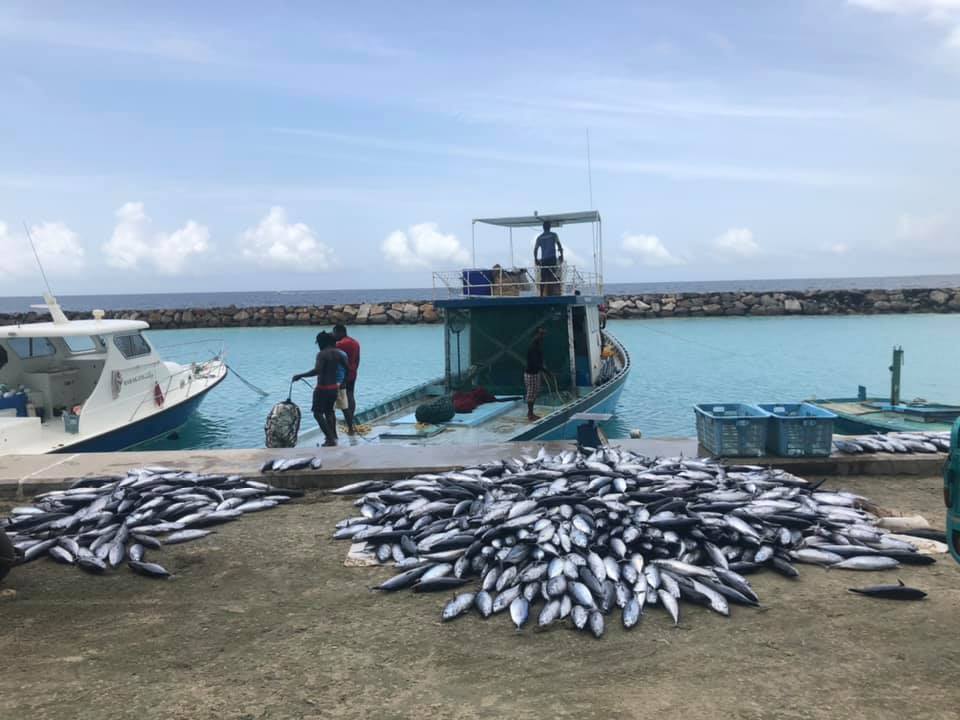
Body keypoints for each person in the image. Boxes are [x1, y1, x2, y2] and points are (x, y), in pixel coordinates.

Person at [292, 332, 348, 447]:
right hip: (334, 388)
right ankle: (333, 436)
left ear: (323, 342)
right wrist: (342, 382)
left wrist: (300, 375)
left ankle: (330, 438)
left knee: (317, 414)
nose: (318, 346)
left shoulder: (322, 354)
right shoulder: (339, 354)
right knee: (329, 412)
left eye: (319, 343)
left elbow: (317, 370)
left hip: (322, 388)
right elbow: (347, 368)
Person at [332, 323, 360, 434]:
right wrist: (354, 369)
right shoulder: (355, 342)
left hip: (343, 375)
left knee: (342, 400)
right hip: (353, 372)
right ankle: (350, 420)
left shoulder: (341, 344)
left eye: (335, 333)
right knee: (350, 395)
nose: (334, 335)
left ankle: (348, 425)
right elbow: (357, 359)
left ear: (340, 332)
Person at [534, 220, 564, 297]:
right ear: (550, 227)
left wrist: (536, 259)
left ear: (543, 227)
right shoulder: (554, 235)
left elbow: (535, 249)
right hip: (552, 259)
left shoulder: (540, 237)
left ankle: (541, 295)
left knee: (543, 278)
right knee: (552, 276)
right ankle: (551, 294)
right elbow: (559, 246)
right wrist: (562, 255)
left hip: (544, 260)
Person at [524, 327, 546, 421]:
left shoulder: (537, 345)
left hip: (535, 372)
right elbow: (535, 362)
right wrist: (546, 371)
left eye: (543, 334)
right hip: (531, 373)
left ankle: (530, 413)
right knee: (531, 393)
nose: (542, 336)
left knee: (535, 392)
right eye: (540, 334)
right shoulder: (533, 346)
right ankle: (530, 414)